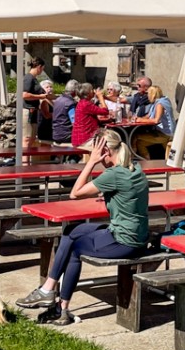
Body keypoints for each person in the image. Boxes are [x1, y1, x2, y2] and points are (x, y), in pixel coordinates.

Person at [15, 129, 149, 325]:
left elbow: (75, 193)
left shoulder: (113, 174)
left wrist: (91, 163)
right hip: (136, 236)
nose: (91, 154)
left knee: (75, 250)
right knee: (71, 231)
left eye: (94, 151)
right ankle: (48, 289)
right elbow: (128, 194)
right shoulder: (134, 168)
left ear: (104, 151)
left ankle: (62, 308)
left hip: (125, 241)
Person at [134, 84, 176, 159]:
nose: (147, 96)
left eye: (148, 94)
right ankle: (148, 163)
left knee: (136, 137)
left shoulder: (159, 104)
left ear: (152, 95)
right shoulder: (159, 101)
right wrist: (138, 119)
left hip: (165, 134)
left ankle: (140, 161)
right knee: (140, 143)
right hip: (163, 133)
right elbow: (148, 116)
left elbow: (156, 120)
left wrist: (141, 120)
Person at [70, 82, 111, 147]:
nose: (94, 91)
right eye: (92, 89)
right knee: (108, 142)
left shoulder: (82, 102)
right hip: (84, 139)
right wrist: (100, 97)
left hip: (79, 137)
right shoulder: (86, 104)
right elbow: (105, 111)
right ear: (88, 93)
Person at [51, 80, 78, 146]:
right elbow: (74, 122)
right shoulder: (70, 103)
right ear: (75, 92)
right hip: (66, 135)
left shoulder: (58, 100)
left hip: (55, 134)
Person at [35, 79, 54, 143]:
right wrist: (59, 114)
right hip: (45, 129)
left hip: (51, 129)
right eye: (47, 87)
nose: (50, 88)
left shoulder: (51, 100)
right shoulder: (43, 100)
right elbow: (47, 115)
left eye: (51, 87)